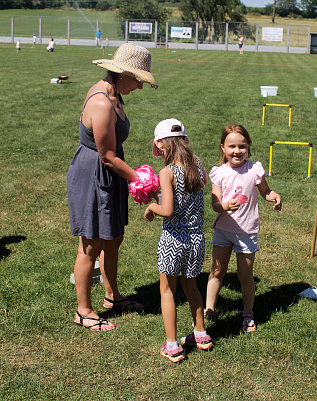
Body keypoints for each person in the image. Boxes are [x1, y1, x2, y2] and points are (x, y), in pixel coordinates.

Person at [67, 43, 157, 331]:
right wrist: (139, 178)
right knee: (91, 243)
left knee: (114, 236)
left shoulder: (115, 93)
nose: (140, 87)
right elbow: (106, 156)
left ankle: (112, 296)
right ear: (122, 74)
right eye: (139, 80)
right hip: (96, 171)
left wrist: (128, 174)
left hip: (112, 170)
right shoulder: (102, 102)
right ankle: (83, 310)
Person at [144, 118, 213, 363]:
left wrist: (152, 205)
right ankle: (201, 333)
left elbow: (168, 210)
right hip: (196, 239)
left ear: (162, 145)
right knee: (191, 286)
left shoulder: (167, 172)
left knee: (167, 291)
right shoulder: (197, 164)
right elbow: (199, 184)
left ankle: (172, 345)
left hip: (174, 239)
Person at [205, 124, 282, 333]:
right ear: (223, 148)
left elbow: (265, 191)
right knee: (217, 271)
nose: (237, 151)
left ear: (248, 147)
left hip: (247, 233)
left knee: (245, 275)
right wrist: (225, 206)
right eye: (232, 146)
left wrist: (273, 197)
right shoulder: (219, 173)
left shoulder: (254, 169)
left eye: (242, 146)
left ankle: (248, 313)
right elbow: (215, 204)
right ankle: (209, 309)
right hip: (223, 230)